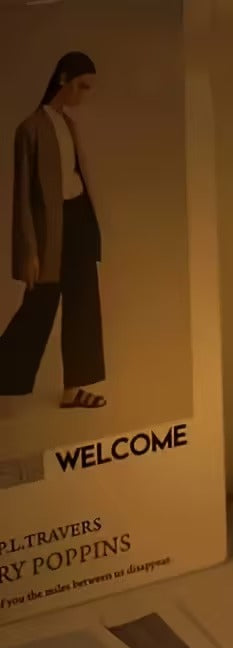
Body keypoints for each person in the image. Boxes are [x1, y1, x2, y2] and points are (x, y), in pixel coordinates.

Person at [0, 51, 106, 409]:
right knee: (39, 306)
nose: (84, 95)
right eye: (82, 86)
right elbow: (22, 198)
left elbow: (76, 177)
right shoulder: (29, 129)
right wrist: (29, 250)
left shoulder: (69, 124)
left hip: (78, 220)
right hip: (50, 230)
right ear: (63, 79)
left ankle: (74, 389)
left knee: (83, 303)